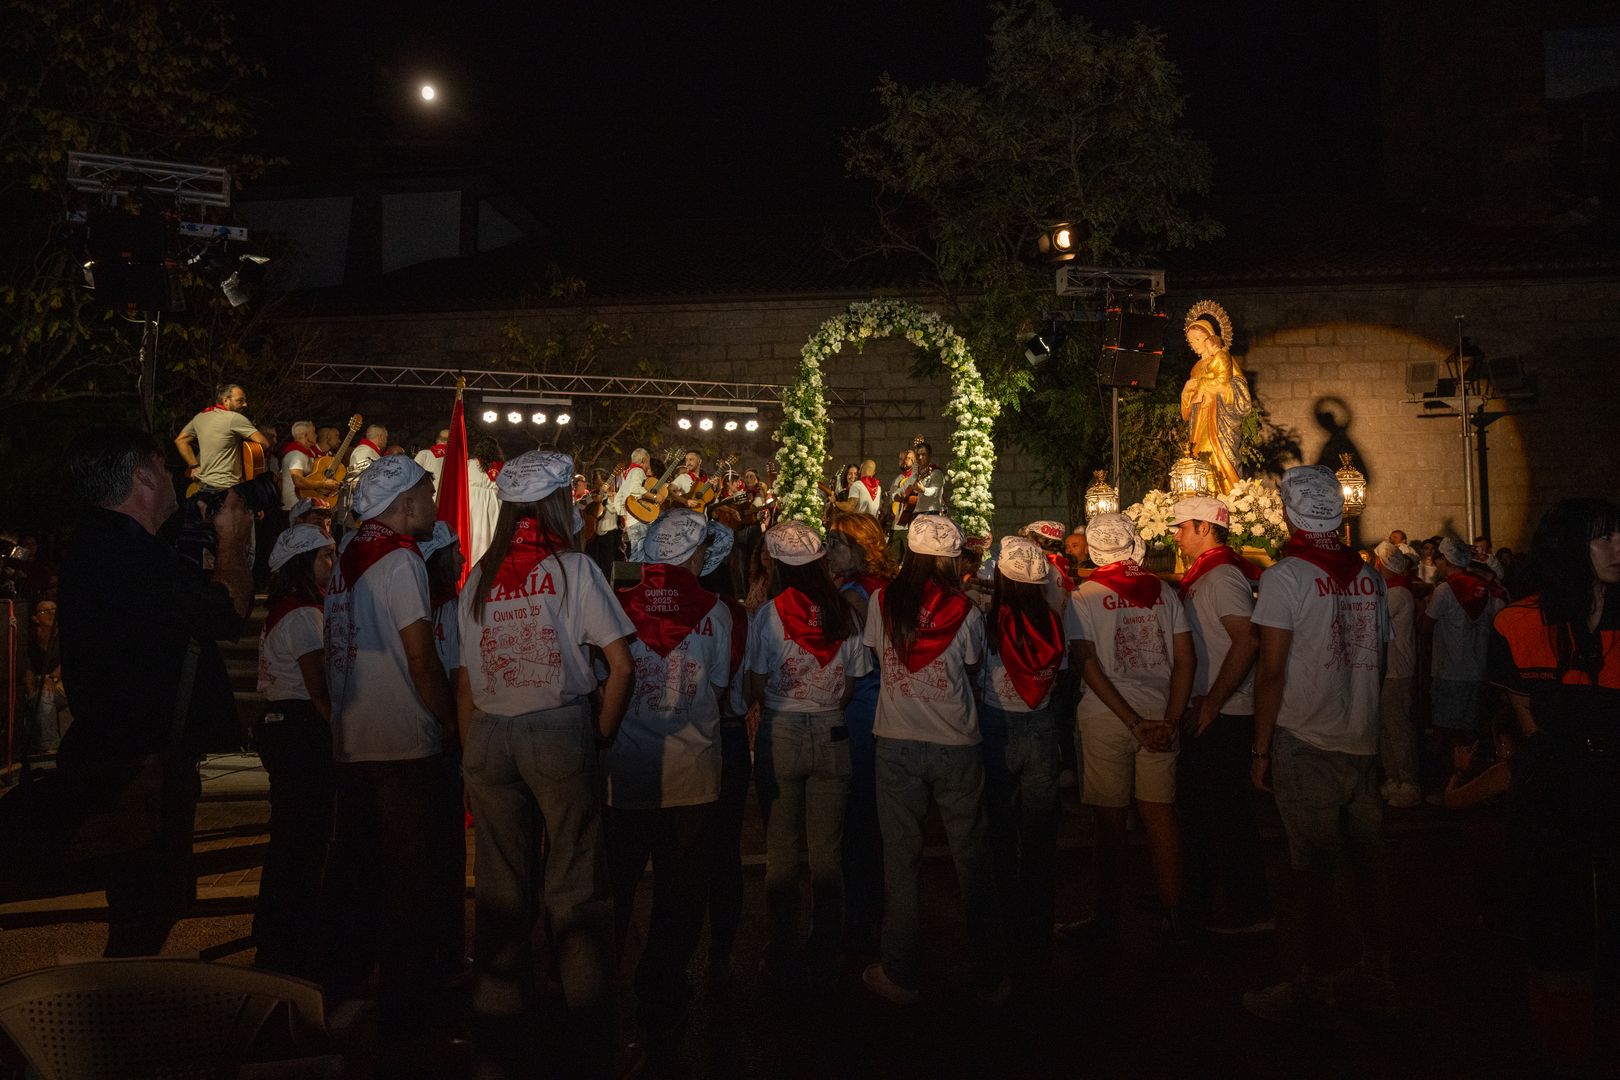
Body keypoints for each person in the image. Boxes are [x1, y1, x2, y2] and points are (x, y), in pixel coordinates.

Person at [454, 451, 635, 1074]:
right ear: (557, 505)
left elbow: (464, 680)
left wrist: (471, 754)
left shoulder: (479, 575)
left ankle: (498, 1026)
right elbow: (621, 665)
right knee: (576, 889)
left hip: (488, 733)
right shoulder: (573, 568)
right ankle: (591, 1038)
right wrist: (600, 734)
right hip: (556, 730)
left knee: (501, 888)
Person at [57, 427, 253, 956]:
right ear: (143, 474)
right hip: (136, 763)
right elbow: (226, 612)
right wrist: (233, 542)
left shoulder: (114, 546)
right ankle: (120, 1001)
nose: (175, 477)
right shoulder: (122, 553)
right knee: (148, 905)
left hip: (134, 756)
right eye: (166, 467)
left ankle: (124, 994)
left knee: (153, 902)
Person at [1243, 465, 1395, 1027]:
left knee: (1313, 872)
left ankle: (1315, 984)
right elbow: (1379, 659)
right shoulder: (1369, 577)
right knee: (1368, 865)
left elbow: (1271, 671)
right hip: (1361, 741)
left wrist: (1261, 749)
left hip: (1307, 740)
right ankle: (1374, 971)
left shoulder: (1286, 577)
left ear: (1290, 515)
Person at [320, 455, 462, 1046]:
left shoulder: (347, 559)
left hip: (355, 745)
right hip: (403, 744)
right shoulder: (400, 559)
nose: (434, 503)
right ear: (404, 505)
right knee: (411, 887)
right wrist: (450, 722)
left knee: (361, 882)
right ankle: (409, 1019)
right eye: (428, 493)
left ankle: (348, 999)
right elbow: (422, 658)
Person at [1489, 498, 1620, 1073]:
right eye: (1602, 538)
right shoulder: (1517, 621)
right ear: (1569, 547)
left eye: (1619, 535)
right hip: (1553, 786)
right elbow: (1520, 708)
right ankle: (1565, 1045)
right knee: (1554, 916)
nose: (1618, 548)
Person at [861, 514, 1009, 1008]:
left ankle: (900, 972)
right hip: (956, 742)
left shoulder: (882, 601)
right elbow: (972, 665)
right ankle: (992, 974)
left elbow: (875, 658)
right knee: (972, 858)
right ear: (950, 560)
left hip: (896, 738)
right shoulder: (964, 609)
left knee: (900, 860)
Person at [608, 509, 734, 1052]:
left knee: (614, 889)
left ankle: (598, 987)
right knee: (678, 899)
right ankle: (660, 991)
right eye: (702, 549)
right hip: (692, 778)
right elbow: (720, 689)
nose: (706, 557)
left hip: (623, 776)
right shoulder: (717, 613)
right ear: (690, 555)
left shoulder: (616, 606)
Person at [743, 521, 870, 990]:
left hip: (782, 731)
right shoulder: (845, 612)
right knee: (827, 853)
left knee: (781, 850)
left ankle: (781, 948)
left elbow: (756, 683)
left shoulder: (769, 615)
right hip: (832, 732)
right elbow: (852, 682)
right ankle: (826, 947)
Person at [1061, 513, 1194, 945]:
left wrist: (1131, 721)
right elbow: (1185, 659)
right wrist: (1170, 719)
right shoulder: (1163, 592)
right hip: (1160, 713)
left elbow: (1086, 663)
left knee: (1109, 821)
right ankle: (1175, 915)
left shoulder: (1084, 596)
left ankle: (1105, 919)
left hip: (1107, 715)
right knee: (1160, 814)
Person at [1170, 496, 1273, 934]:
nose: (1176, 536)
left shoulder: (1223, 575)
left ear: (1205, 527)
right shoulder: (1206, 573)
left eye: (1182, 527)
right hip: (1210, 708)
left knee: (1227, 816)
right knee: (1201, 813)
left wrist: (1213, 700)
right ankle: (1197, 899)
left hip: (1224, 713)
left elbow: (1246, 640)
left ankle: (1250, 907)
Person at [977, 537, 1066, 968]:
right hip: (1042, 725)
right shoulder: (1051, 620)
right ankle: (1038, 921)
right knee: (1039, 832)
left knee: (1000, 827)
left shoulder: (991, 620)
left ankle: (1002, 918)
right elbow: (1059, 674)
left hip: (998, 726)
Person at [253, 523, 336, 980]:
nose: (331, 563)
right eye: (324, 556)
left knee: (290, 834)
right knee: (304, 835)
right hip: (300, 728)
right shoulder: (304, 615)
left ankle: (276, 930)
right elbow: (318, 690)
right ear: (303, 563)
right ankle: (293, 935)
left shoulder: (287, 609)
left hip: (282, 727)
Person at [825, 510, 893, 950]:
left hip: (861, 704)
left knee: (857, 813)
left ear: (858, 547)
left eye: (836, 543)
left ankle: (859, 914)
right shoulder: (883, 587)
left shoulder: (855, 594)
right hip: (879, 703)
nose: (829, 550)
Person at [1425, 537, 1507, 746]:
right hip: (1477, 670)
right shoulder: (1485, 589)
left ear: (1446, 559)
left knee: (1446, 732)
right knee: (1470, 733)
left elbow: (1425, 625)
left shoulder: (1445, 590)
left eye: (1439, 558)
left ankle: (1453, 766)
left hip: (1449, 671)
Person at [1179, 303, 1253, 494]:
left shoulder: (1224, 358)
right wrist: (1186, 391)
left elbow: (1240, 387)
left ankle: (1228, 499)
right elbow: (1188, 408)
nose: (1194, 344)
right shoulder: (1196, 368)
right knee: (1200, 459)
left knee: (1219, 458)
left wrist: (1218, 387)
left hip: (1221, 422)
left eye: (1198, 339)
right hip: (1200, 423)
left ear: (1210, 338)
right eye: (1191, 341)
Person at [1373, 542, 1422, 808]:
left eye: (1377, 561)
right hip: (1387, 669)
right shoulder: (1389, 590)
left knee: (1398, 727)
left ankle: (1408, 781)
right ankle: (1393, 777)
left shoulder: (1397, 593)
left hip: (1396, 669)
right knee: (1386, 727)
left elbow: (1374, 621)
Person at [174, 383, 271, 494]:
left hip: (203, 486)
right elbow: (264, 443)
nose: (245, 404)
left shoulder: (201, 417)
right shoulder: (234, 418)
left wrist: (194, 466)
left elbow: (180, 440)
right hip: (227, 487)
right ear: (226, 400)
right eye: (240, 401)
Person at [24, 597, 70, 754]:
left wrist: (51, 678)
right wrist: (31, 691)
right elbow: (28, 667)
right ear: (35, 618)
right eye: (45, 611)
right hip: (41, 682)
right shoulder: (31, 638)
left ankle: (51, 747)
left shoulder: (65, 634)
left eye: (54, 610)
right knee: (36, 698)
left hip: (63, 683)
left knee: (45, 696)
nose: (51, 614)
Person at [279, 421, 334, 512]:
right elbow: (298, 481)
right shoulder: (297, 455)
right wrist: (324, 484)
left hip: (299, 506)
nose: (316, 435)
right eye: (313, 433)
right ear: (305, 436)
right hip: (295, 507)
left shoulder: (302, 454)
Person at [614, 448, 652, 562]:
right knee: (642, 556)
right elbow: (635, 490)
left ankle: (631, 574)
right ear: (644, 460)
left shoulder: (627, 473)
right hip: (640, 519)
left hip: (631, 522)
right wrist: (654, 497)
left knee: (635, 555)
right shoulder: (638, 471)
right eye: (648, 462)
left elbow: (618, 499)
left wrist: (625, 516)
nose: (648, 466)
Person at [414, 428, 452, 497]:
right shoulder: (457, 459)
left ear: (437, 440)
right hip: (449, 498)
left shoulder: (424, 454)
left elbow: (412, 475)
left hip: (427, 497)